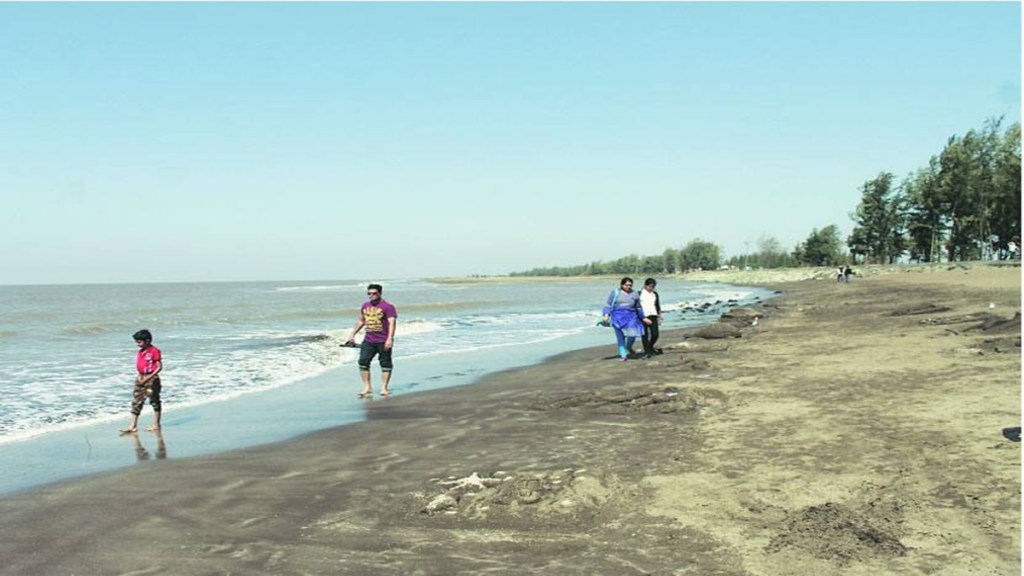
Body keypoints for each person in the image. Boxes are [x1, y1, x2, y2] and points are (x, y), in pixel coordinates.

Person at [345, 283, 398, 398]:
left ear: (380, 293)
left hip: (383, 340)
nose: (371, 296)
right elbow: (361, 321)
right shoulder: (365, 305)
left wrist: (390, 338)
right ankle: (367, 387)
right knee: (363, 362)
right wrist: (352, 334)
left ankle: (384, 387)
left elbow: (392, 323)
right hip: (368, 339)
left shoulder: (388, 306)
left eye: (374, 293)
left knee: (385, 364)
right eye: (369, 293)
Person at [121, 329, 163, 434]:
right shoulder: (140, 352)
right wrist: (141, 377)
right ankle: (133, 425)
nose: (137, 344)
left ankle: (156, 424)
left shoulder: (154, 351)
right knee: (136, 401)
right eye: (136, 342)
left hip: (152, 378)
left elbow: (159, 366)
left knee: (154, 400)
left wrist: (150, 377)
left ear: (147, 341)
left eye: (139, 342)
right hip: (140, 377)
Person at [602, 277, 646, 362]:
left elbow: (638, 307)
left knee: (632, 334)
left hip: (631, 316)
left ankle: (628, 346)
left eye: (630, 285)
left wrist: (643, 317)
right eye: (626, 285)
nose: (628, 287)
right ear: (622, 284)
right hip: (617, 317)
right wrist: (606, 315)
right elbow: (608, 304)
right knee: (620, 336)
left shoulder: (635, 293)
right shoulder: (615, 293)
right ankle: (623, 355)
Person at [639, 278, 663, 358]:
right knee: (644, 335)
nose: (651, 288)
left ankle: (650, 346)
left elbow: (657, 306)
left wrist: (659, 316)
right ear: (645, 285)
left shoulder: (655, 294)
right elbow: (636, 306)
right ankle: (647, 352)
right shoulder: (639, 294)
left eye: (653, 286)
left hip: (653, 315)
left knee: (655, 334)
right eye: (650, 286)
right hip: (643, 316)